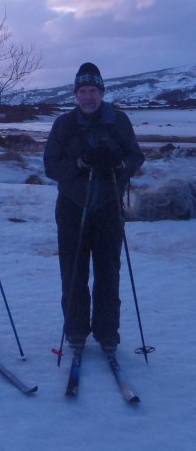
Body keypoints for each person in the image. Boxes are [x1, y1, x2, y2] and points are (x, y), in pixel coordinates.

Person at [44, 62, 145, 353]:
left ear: (102, 93)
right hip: (72, 206)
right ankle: (76, 330)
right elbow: (51, 166)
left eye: (93, 91)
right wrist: (79, 163)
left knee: (108, 271)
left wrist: (118, 164)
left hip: (108, 204)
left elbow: (135, 156)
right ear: (76, 94)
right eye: (83, 91)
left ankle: (107, 332)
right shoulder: (64, 124)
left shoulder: (118, 121)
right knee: (74, 271)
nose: (88, 97)